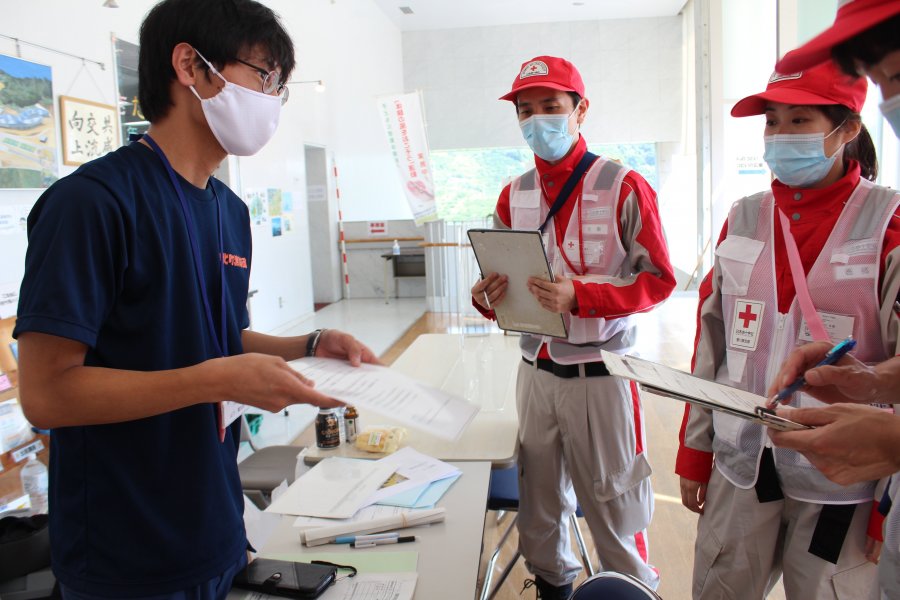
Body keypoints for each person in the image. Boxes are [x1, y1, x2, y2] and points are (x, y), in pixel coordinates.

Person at [13, 0, 377, 597]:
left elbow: (209, 334)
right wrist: (215, 380)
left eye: (279, 89)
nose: (271, 102)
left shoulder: (228, 211)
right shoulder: (93, 204)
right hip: (126, 550)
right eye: (264, 78)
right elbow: (47, 394)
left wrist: (307, 345)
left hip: (214, 523)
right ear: (191, 66)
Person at [675, 59, 900, 599]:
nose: (779, 136)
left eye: (799, 121)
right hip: (742, 456)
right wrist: (696, 450)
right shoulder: (744, 216)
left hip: (842, 476)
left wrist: (885, 505)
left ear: (846, 129)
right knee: (719, 586)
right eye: (772, 121)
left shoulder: (887, 224)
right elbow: (711, 345)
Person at [471, 55, 675, 599]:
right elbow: (503, 282)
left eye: (551, 107)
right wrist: (488, 299)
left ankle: (631, 590)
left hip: (601, 377)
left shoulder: (624, 186)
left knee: (615, 512)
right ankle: (552, 587)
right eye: (526, 110)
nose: (539, 120)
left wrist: (581, 295)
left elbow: (658, 281)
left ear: (580, 110)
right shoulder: (511, 195)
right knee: (539, 507)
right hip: (535, 372)